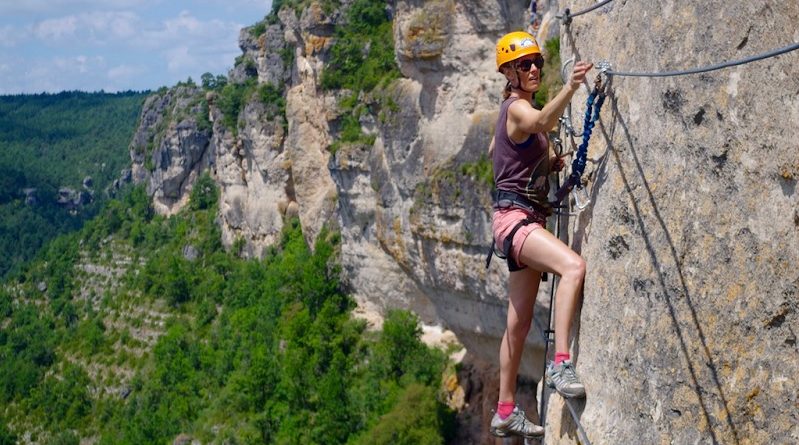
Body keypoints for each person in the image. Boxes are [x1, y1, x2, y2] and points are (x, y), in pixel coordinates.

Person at [488, 31, 593, 438]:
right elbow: (541, 122)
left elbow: (511, 157)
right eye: (524, 65)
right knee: (573, 267)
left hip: (514, 220)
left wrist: (548, 165)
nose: (534, 69)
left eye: (537, 63)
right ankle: (560, 363)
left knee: (519, 322)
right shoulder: (516, 108)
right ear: (510, 72)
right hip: (518, 222)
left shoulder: (515, 111)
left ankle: (505, 408)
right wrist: (571, 87)